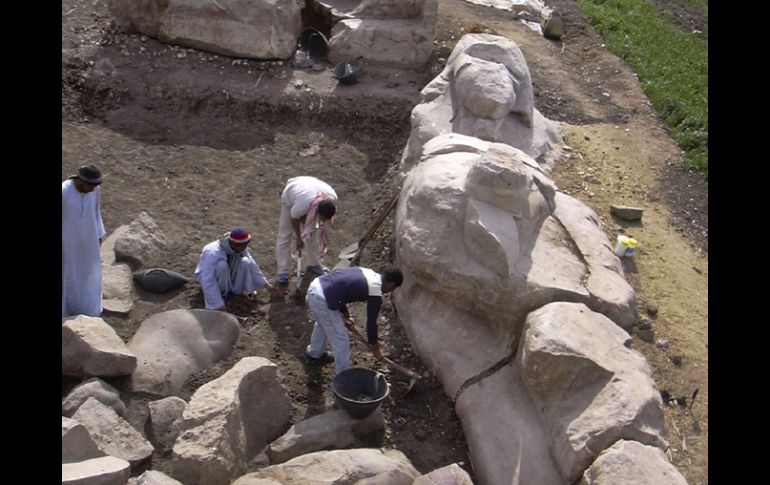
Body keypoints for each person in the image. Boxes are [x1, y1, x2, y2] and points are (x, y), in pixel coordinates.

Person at [304, 264, 403, 375]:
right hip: (323, 300)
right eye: (393, 288)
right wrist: (375, 349)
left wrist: (347, 316)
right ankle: (343, 380)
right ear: (391, 284)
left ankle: (314, 354)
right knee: (342, 341)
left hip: (315, 288)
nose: (390, 291)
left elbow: (340, 287)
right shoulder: (375, 291)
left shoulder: (367, 272)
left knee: (322, 324)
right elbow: (371, 323)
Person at [195, 227, 281, 310]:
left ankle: (242, 293)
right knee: (222, 266)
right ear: (234, 244)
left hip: (228, 272)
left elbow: (252, 265)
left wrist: (266, 284)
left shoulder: (240, 247)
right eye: (244, 246)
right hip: (211, 277)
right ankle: (221, 296)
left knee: (245, 261)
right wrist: (217, 305)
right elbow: (207, 278)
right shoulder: (212, 252)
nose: (245, 248)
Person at [276, 176, 338, 286]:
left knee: (312, 230)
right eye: (321, 218)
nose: (323, 221)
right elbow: (294, 217)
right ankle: (283, 272)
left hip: (310, 188)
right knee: (285, 235)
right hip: (292, 193)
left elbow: (310, 225)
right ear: (317, 211)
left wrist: (307, 223)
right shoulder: (302, 205)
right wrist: (299, 238)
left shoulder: (333, 198)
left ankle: (314, 263)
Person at [62, 165, 107, 317]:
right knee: (67, 274)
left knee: (87, 273)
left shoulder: (94, 191)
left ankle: (87, 310)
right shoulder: (64, 192)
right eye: (91, 185)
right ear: (81, 181)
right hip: (66, 242)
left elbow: (96, 211)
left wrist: (99, 234)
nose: (94, 189)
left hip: (88, 239)